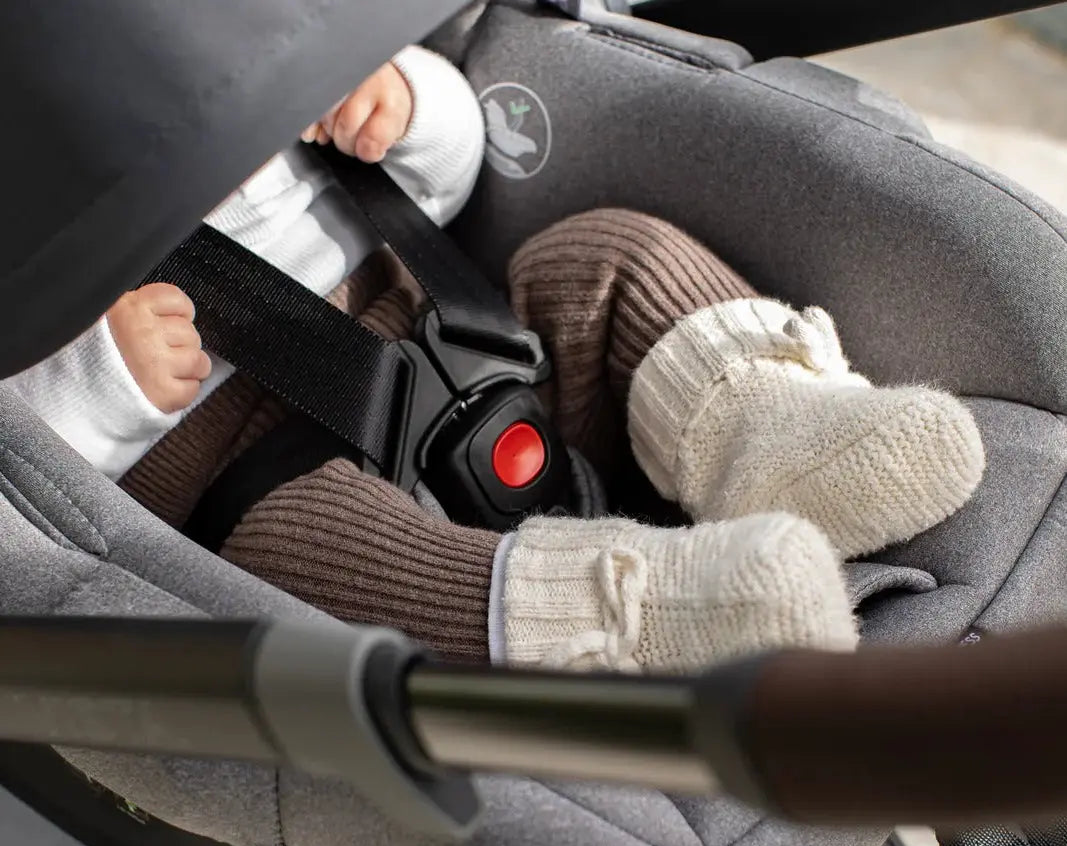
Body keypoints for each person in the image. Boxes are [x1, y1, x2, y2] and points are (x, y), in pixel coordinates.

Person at [6, 45, 985, 678]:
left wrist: (396, 99)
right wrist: (107, 378)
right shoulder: (54, 258)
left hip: (466, 343)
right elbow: (29, 475)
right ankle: (625, 616)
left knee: (602, 255)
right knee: (297, 559)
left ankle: (774, 433)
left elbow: (444, 175)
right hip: (261, 475)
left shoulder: (274, 103)